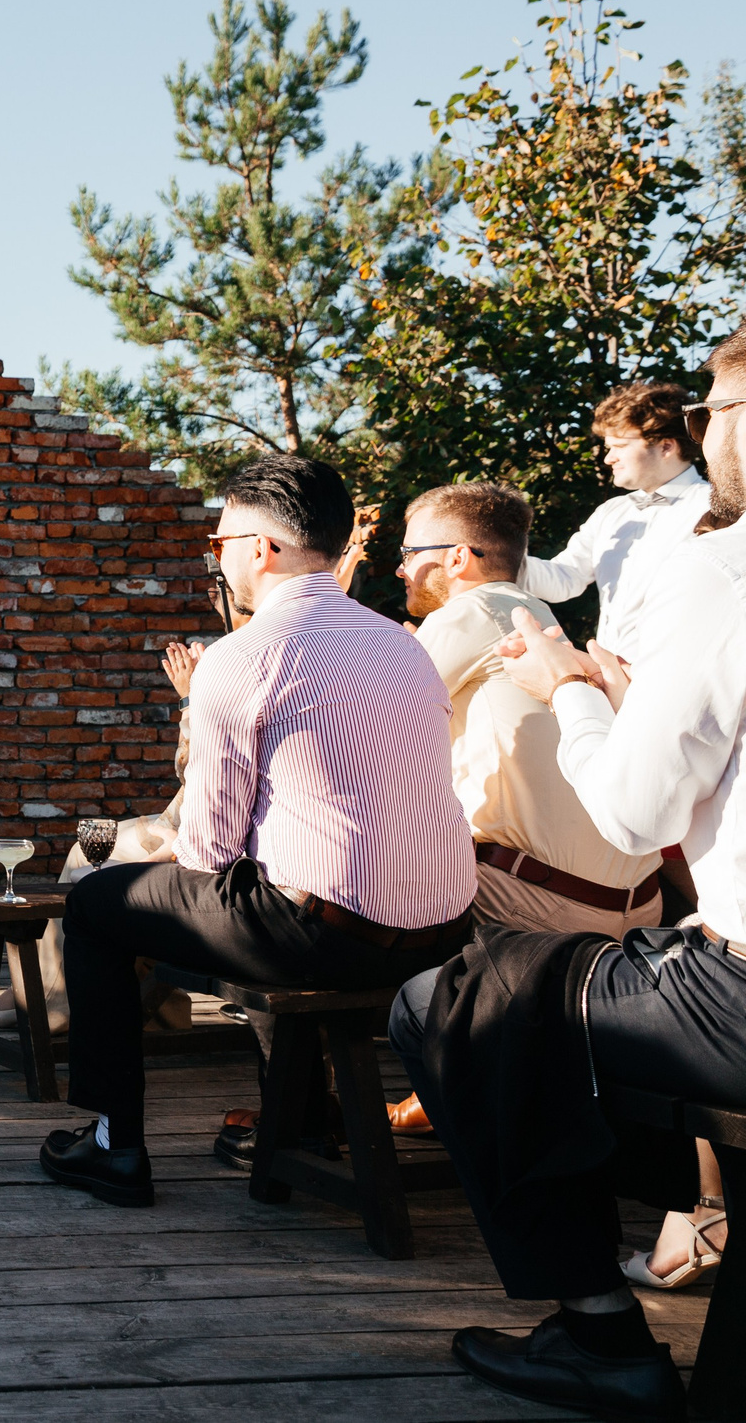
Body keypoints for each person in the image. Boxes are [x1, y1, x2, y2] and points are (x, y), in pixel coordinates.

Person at [394, 350, 746, 1421]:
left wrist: (574, 693)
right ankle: (690, 1205)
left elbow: (635, 807)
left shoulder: (719, 571)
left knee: (451, 999)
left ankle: (597, 1325)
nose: (704, 428)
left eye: (719, 407)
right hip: (651, 916)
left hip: (723, 986)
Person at [37, 455, 476, 1210]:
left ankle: (115, 1143)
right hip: (444, 933)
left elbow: (208, 851)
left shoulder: (242, 656)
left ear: (260, 547)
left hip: (330, 936)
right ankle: (296, 1126)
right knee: (278, 888)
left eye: (218, 543)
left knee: (96, 906)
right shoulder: (404, 645)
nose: (220, 558)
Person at [398, 481, 662, 937]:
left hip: (546, 905)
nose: (400, 568)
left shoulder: (474, 610)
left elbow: (364, 718)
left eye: (409, 552)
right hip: (638, 904)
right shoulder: (535, 614)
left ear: (457, 557)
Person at [514, 379, 710, 658]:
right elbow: (565, 579)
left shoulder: (715, 509)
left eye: (619, 445)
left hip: (685, 674)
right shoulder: (610, 513)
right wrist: (500, 553)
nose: (609, 458)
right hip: (611, 679)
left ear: (666, 447)